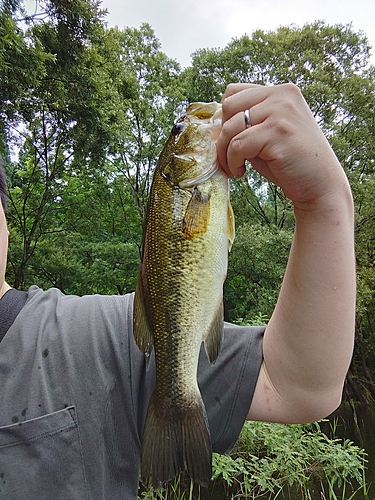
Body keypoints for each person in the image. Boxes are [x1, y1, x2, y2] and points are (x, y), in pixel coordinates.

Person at [0, 83, 355, 499]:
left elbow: (296, 386)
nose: (191, 127)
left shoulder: (91, 340)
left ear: (5, 217)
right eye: (180, 133)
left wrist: (323, 203)